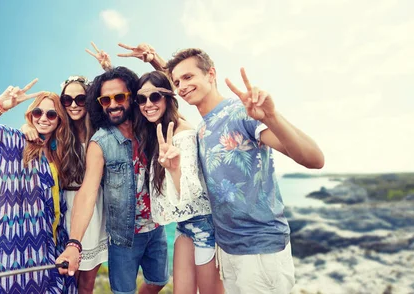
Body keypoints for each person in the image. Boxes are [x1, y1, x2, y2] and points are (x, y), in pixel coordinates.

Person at [166, 49, 325, 293]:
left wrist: (271, 116)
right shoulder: (201, 128)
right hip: (228, 249)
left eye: (188, 77)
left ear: (211, 74)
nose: (182, 86)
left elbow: (314, 159)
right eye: (177, 82)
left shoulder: (241, 112)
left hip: (261, 249)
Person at [57, 67, 169, 294]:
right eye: (105, 99)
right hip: (123, 236)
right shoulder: (101, 142)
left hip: (157, 227)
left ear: (132, 96)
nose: (112, 104)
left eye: (119, 97)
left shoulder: (149, 127)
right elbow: (87, 192)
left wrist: (154, 60)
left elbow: (167, 98)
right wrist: (74, 243)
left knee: (159, 281)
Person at [0, 79, 77, 293]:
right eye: (38, 113)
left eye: (51, 114)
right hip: (10, 253)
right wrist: (0, 106)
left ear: (59, 120)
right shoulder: (14, 141)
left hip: (50, 245)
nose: (44, 118)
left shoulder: (59, 153)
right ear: (31, 115)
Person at [133, 70, 224, 294]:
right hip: (185, 225)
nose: (148, 104)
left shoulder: (182, 134)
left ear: (167, 98)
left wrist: (174, 168)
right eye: (141, 99)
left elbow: (192, 191)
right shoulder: (158, 131)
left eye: (154, 97)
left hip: (205, 225)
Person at [22, 74, 108, 294]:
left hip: (94, 206)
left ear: (88, 100)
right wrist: (26, 126)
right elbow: (37, 128)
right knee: (67, 277)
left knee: (87, 282)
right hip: (64, 208)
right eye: (67, 100)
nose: (73, 105)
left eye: (80, 99)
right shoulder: (59, 132)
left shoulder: (100, 132)